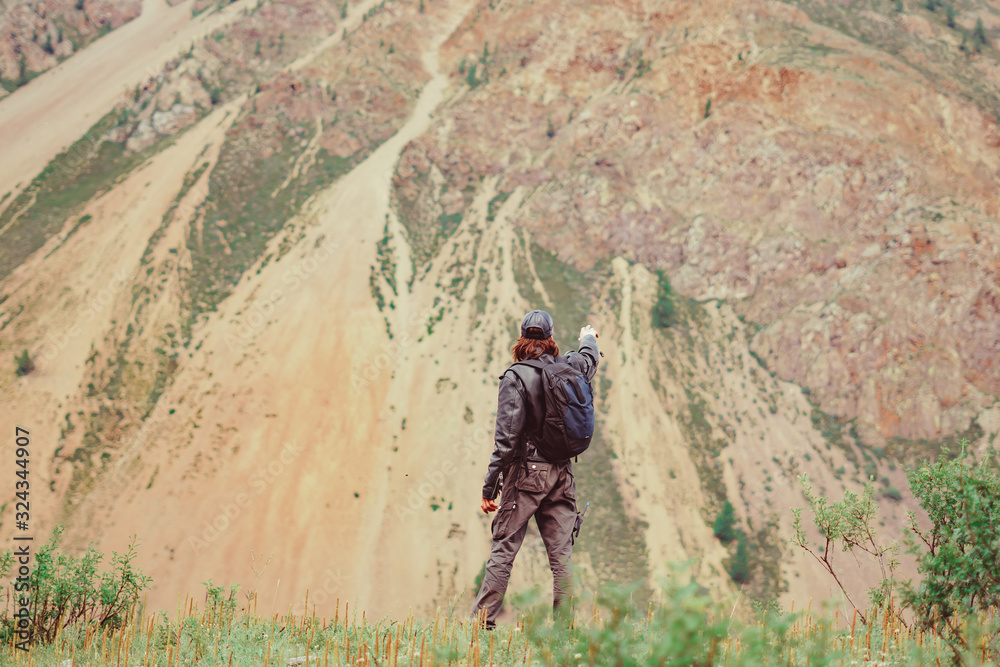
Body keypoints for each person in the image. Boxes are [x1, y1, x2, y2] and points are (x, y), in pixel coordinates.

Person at [470, 310, 600, 629]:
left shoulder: (515, 377)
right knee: (561, 555)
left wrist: (490, 490)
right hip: (562, 473)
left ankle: (480, 627)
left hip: (527, 473)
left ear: (521, 339)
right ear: (551, 338)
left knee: (504, 547)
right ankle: (564, 631)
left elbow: (506, 440)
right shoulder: (568, 368)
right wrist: (588, 336)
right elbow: (589, 359)